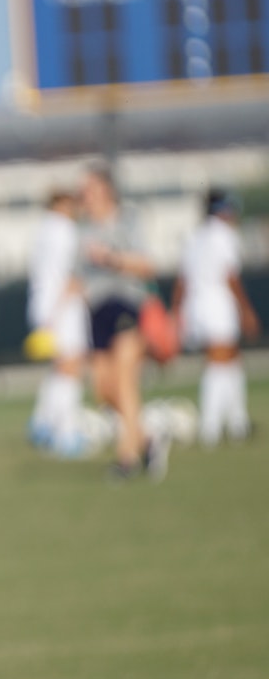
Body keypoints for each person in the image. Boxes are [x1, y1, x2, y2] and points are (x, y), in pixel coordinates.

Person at [76, 165, 165, 480]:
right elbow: (78, 276)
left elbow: (146, 264)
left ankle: (125, 460)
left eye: (89, 188)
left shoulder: (127, 221)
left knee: (125, 381)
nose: (84, 194)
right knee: (104, 389)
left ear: (105, 190)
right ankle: (147, 438)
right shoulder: (82, 229)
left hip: (126, 303)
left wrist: (111, 258)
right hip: (96, 309)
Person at [172, 189, 261, 446]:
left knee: (230, 359)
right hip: (217, 303)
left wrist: (177, 311)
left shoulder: (195, 236)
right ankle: (209, 427)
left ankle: (237, 422)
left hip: (197, 305)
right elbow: (229, 275)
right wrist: (246, 309)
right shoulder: (223, 235)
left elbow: (182, 280)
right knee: (219, 361)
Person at [25, 190, 90, 457]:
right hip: (62, 305)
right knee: (71, 368)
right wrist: (63, 306)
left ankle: (43, 422)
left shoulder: (43, 230)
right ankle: (65, 432)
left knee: (60, 368)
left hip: (43, 304)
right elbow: (72, 271)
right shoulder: (65, 229)